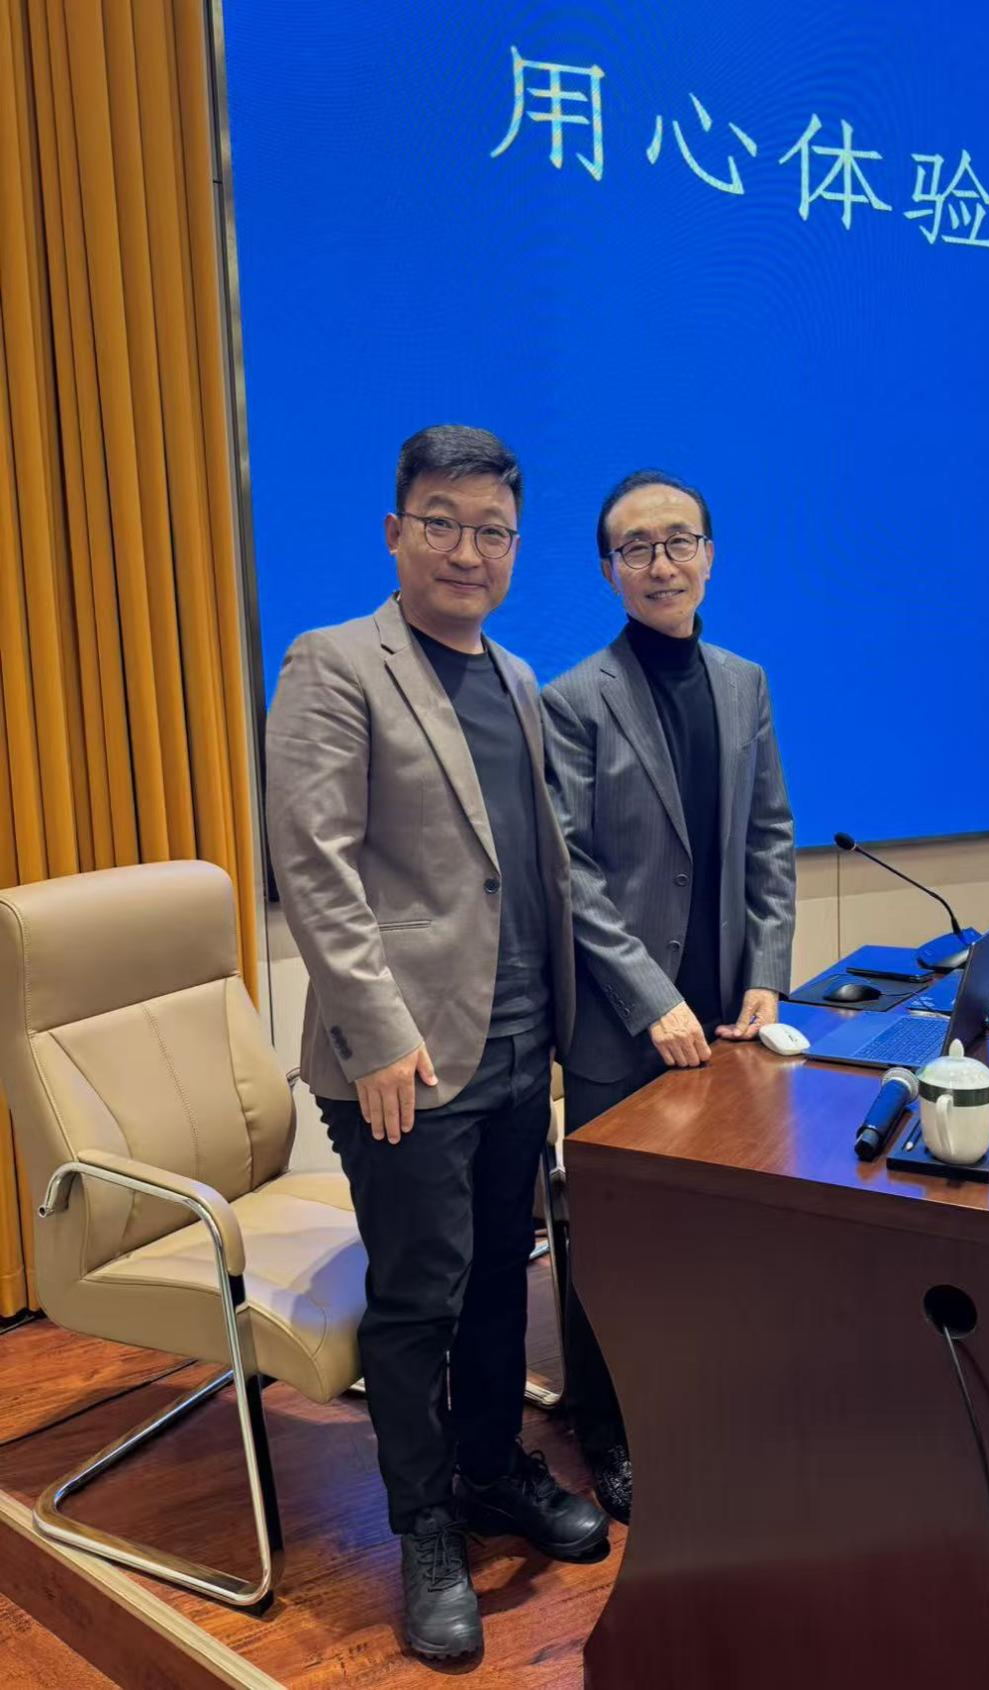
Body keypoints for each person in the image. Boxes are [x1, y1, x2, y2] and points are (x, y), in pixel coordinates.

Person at [266, 425, 607, 1663]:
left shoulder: (514, 676)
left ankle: (490, 1468)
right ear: (395, 530)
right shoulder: (333, 663)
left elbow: (527, 872)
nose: (469, 550)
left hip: (515, 1042)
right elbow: (315, 866)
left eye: (493, 531)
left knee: (500, 1273)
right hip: (400, 1057)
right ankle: (421, 1527)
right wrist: (374, 1035)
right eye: (443, 522)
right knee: (418, 1293)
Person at [542, 468, 797, 1521]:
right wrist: (650, 996)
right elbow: (568, 871)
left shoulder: (745, 683)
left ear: (709, 556)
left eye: (678, 541)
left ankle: (695, 1394)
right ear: (609, 570)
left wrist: (768, 974)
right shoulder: (573, 700)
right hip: (621, 1026)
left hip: (729, 1021)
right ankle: (606, 1425)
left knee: (709, 1230)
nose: (661, 563)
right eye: (636, 547)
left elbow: (769, 840)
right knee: (614, 1242)